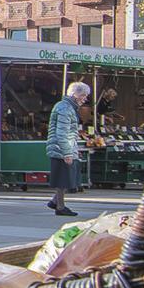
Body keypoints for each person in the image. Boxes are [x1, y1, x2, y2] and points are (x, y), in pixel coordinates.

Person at [46, 81, 90, 217]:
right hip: (61, 148)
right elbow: (62, 133)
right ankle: (60, 206)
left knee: (67, 178)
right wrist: (67, 153)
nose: (85, 99)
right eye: (83, 95)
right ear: (75, 94)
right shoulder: (65, 108)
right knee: (63, 178)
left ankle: (55, 202)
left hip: (64, 147)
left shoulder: (67, 107)